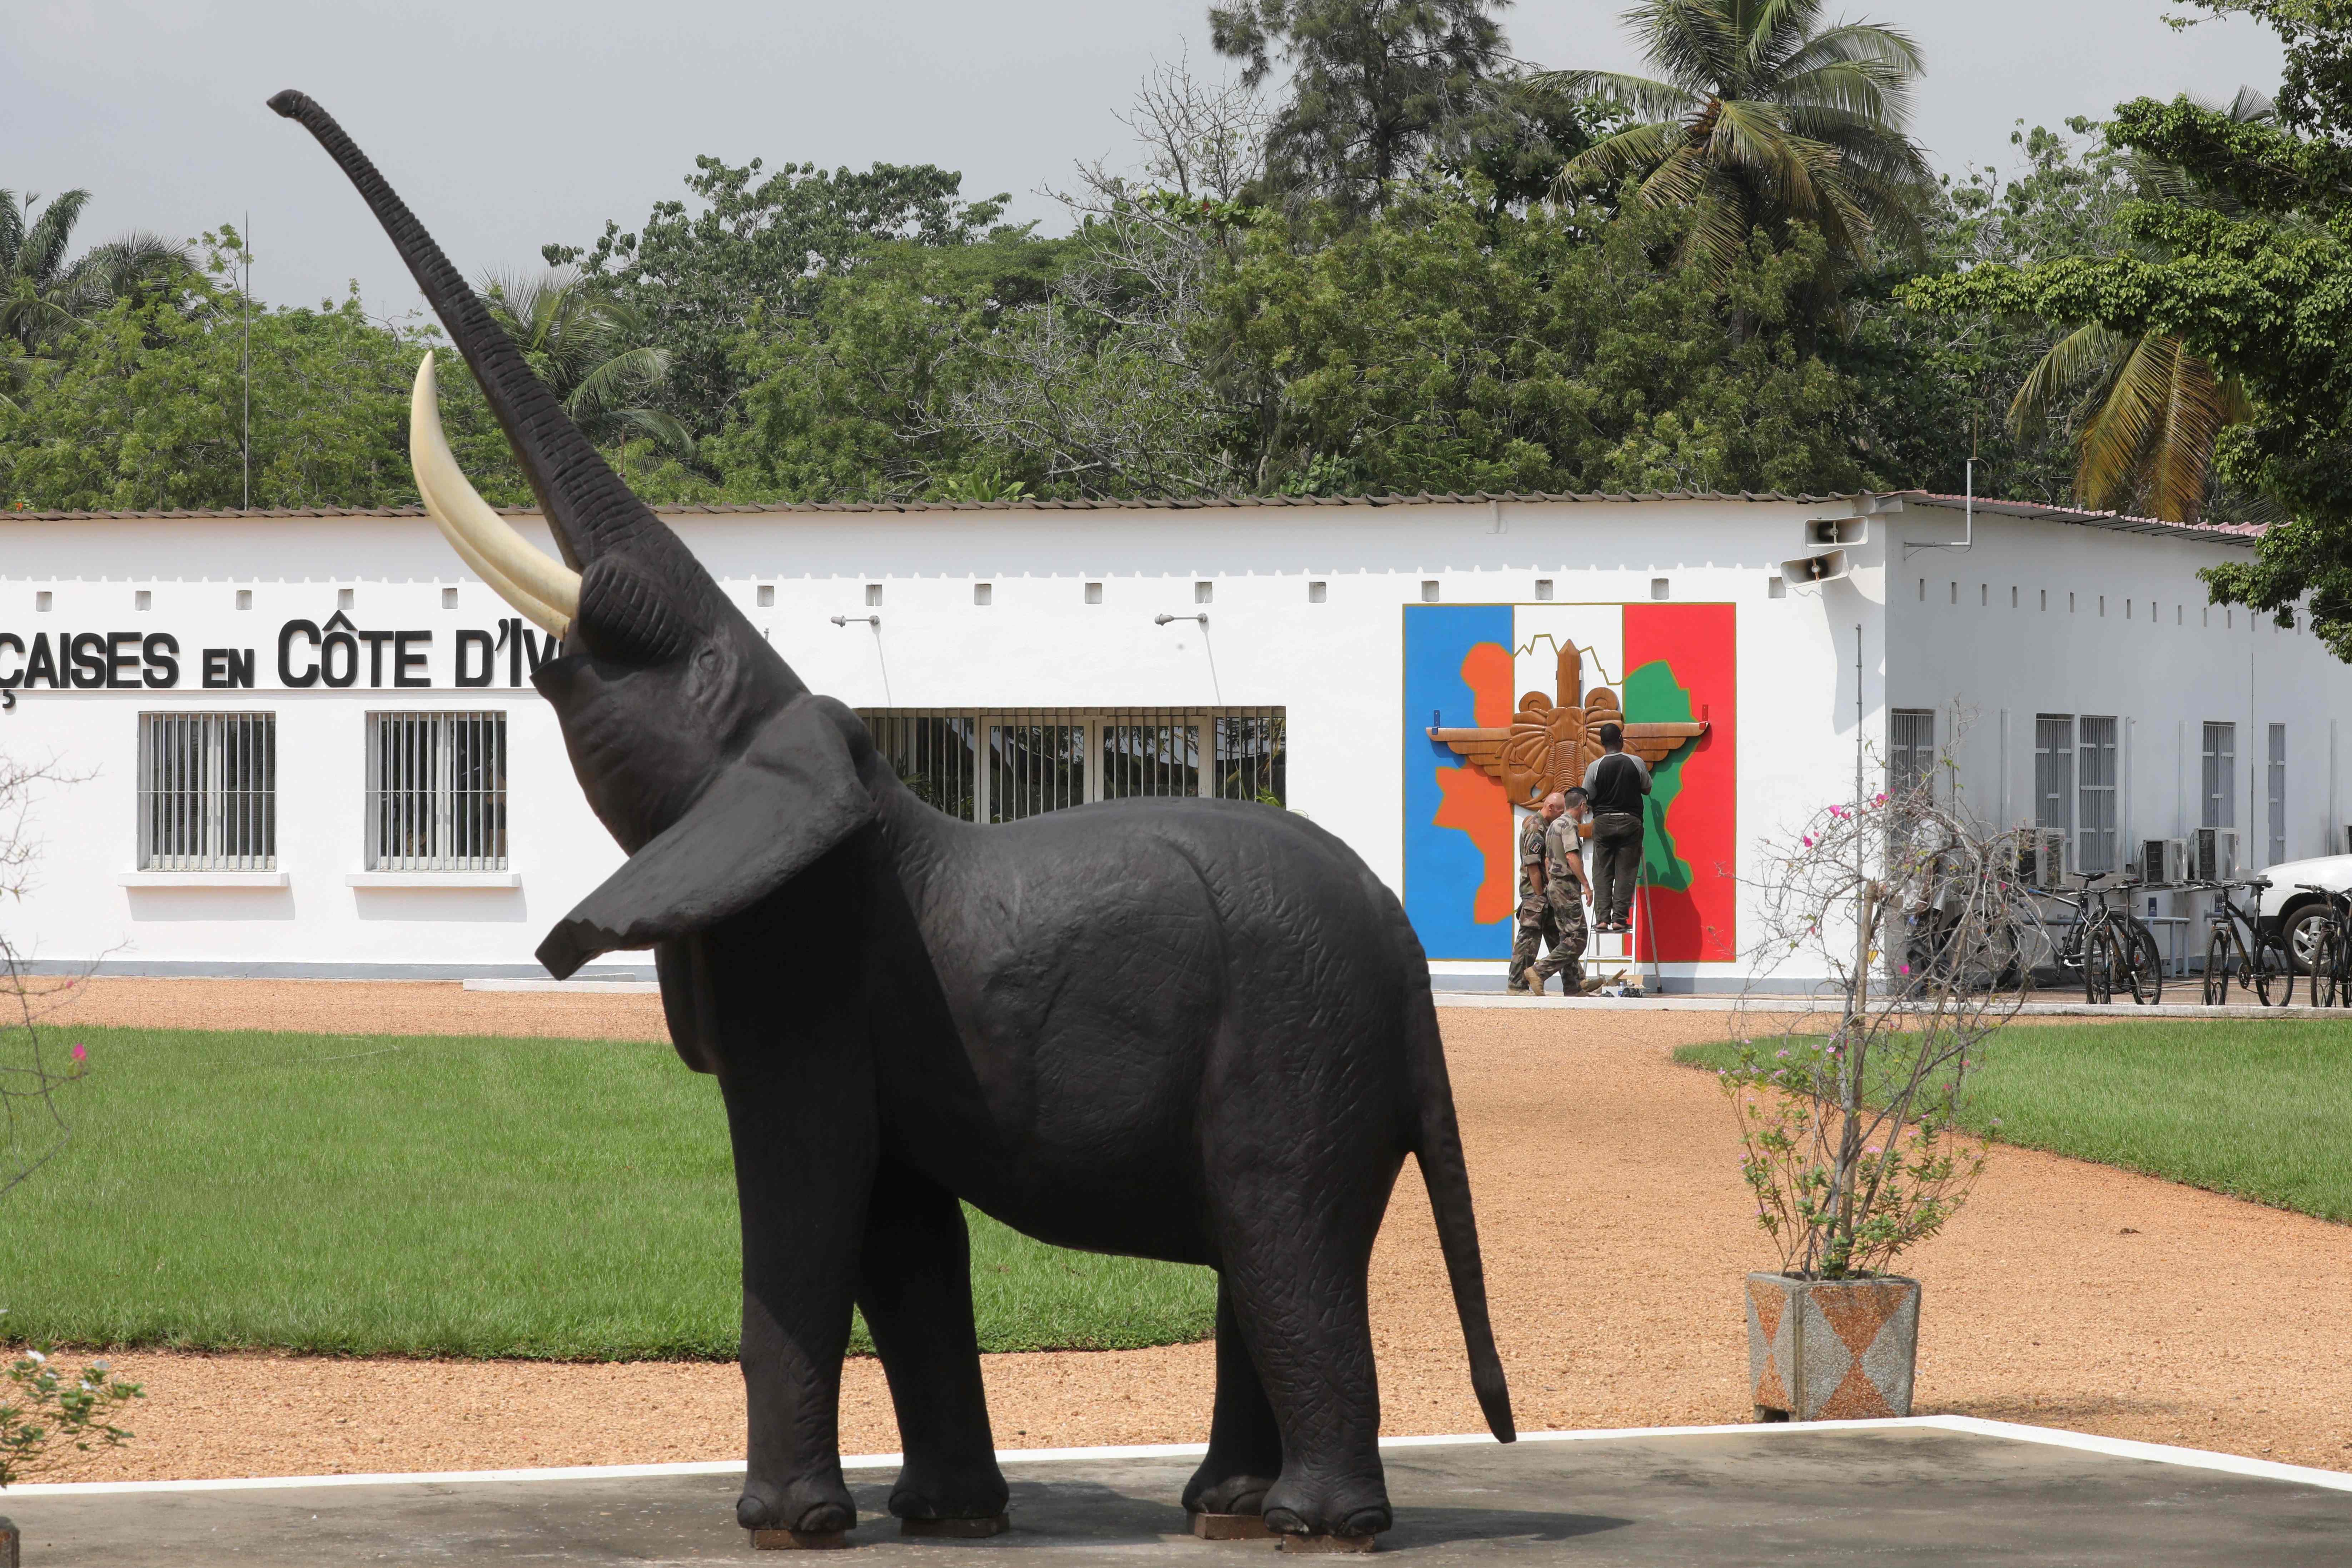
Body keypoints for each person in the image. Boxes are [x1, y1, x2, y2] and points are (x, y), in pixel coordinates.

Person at [1582, 722, 1650, 933]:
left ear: (1602, 743)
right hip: (1631, 822)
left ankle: (1602, 919)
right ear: (1621, 739)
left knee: (1602, 870)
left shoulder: (1595, 767)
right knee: (1626, 871)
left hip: (1603, 823)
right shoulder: (1635, 762)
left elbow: (1587, 797)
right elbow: (1647, 788)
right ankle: (1619, 919)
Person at [1527, 786, 1593, 995]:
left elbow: (1547, 860)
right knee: (1579, 938)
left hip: (1555, 885)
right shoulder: (1569, 825)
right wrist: (1586, 885)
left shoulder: (1554, 824)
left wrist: (1552, 884)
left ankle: (1572, 987)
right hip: (1567, 886)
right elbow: (1572, 857)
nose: (1586, 813)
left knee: (1567, 937)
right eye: (1586, 809)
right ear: (1582, 806)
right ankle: (1539, 971)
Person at [1507, 792, 1567, 994]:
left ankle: (1575, 982)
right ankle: (1517, 986)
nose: (1562, 815)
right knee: (1528, 941)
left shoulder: (1546, 826)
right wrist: (1540, 895)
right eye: (1561, 811)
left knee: (1559, 939)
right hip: (1536, 895)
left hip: (1546, 894)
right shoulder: (1536, 827)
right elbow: (1532, 865)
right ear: (1551, 808)